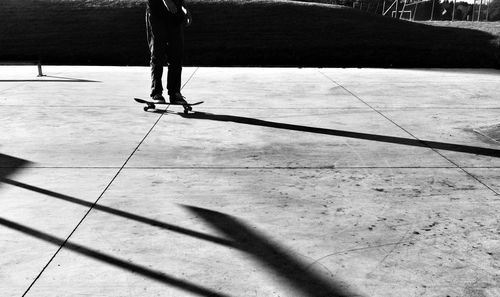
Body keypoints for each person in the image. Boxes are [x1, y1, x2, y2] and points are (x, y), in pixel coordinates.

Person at [146, 0, 192, 104]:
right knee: (158, 53)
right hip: (157, 13)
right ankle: (156, 92)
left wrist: (185, 9)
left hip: (175, 14)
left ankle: (175, 93)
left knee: (176, 54)